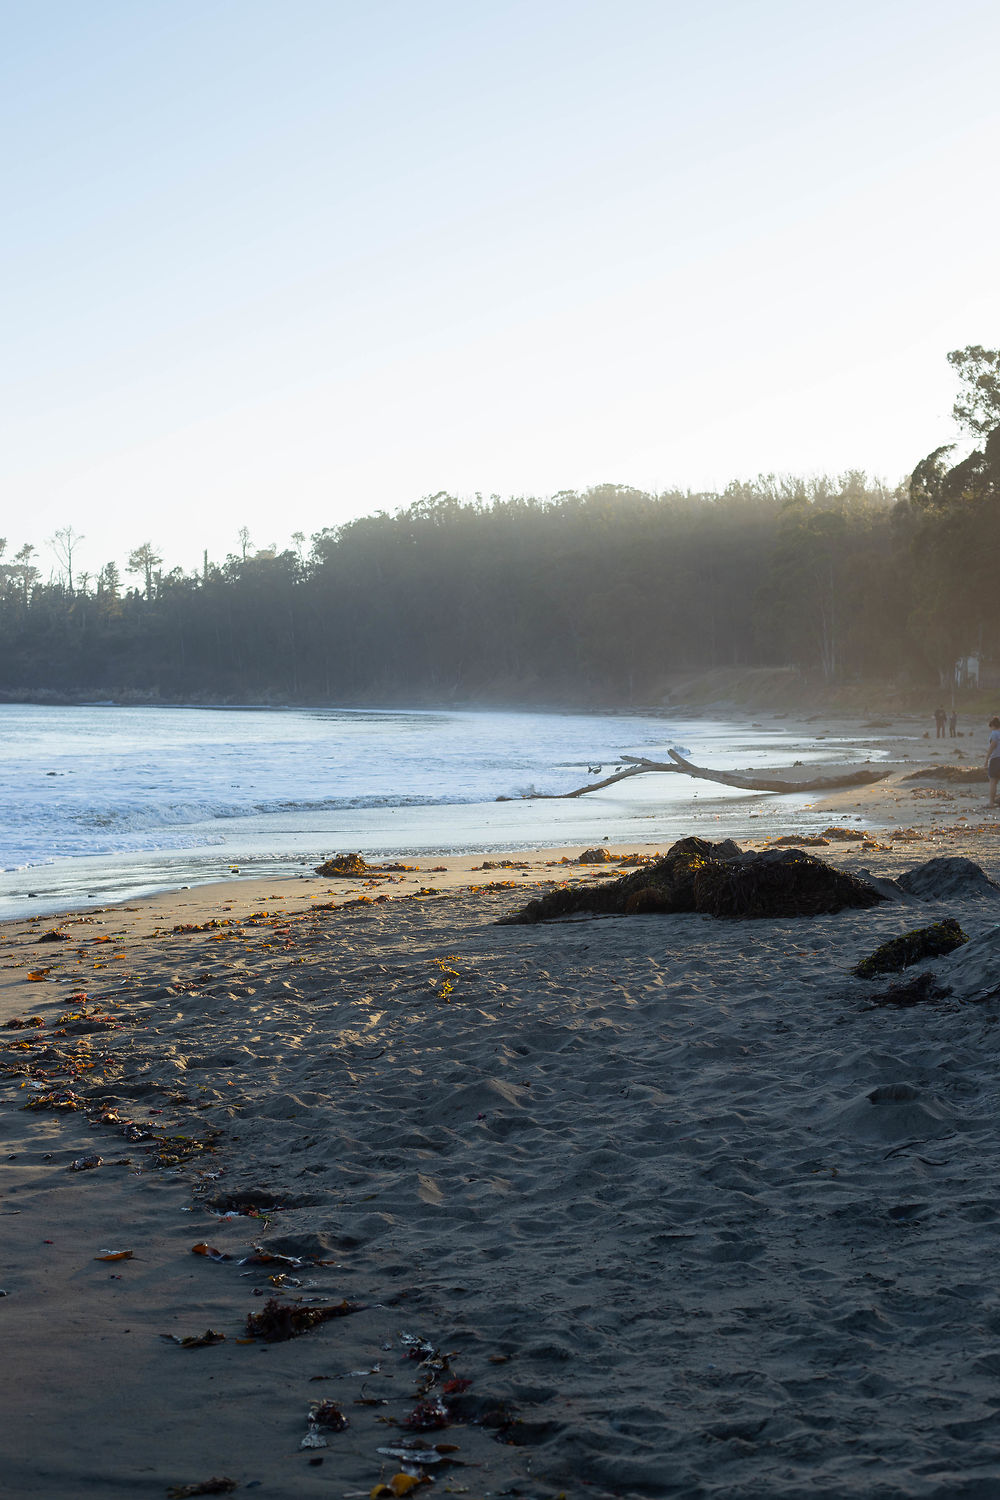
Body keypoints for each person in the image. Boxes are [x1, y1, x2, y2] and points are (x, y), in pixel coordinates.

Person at [987, 717, 1000, 808]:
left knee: (993, 781)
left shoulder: (994, 733)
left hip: (995, 759)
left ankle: (991, 803)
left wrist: (986, 758)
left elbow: (993, 745)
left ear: (993, 725)